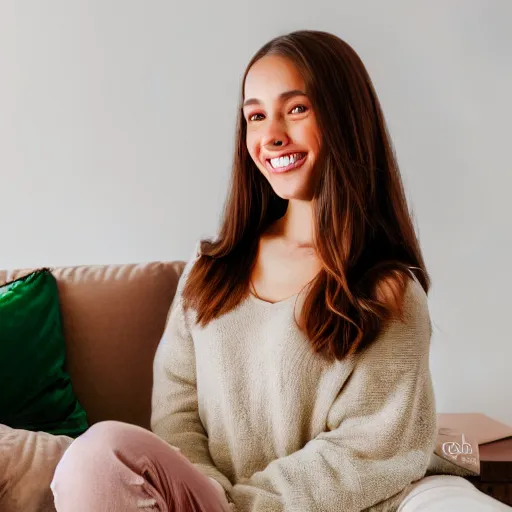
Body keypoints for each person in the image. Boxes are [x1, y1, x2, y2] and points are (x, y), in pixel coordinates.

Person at [50, 30, 510, 511]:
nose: (271, 135)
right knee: (96, 454)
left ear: (345, 119)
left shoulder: (386, 289)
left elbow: (368, 449)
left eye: (296, 109)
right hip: (205, 504)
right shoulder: (211, 270)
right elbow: (177, 413)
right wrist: (208, 495)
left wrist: (238, 506)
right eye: (255, 116)